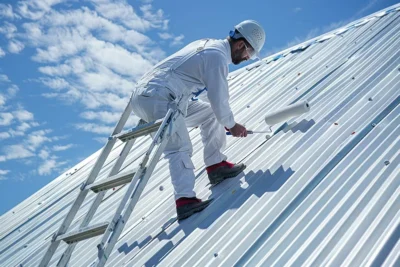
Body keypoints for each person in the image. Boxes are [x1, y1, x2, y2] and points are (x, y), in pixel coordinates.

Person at [131, 20, 266, 220]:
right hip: (159, 96)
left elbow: (210, 101)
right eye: (250, 53)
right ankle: (185, 200)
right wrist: (232, 125)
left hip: (154, 95)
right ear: (241, 45)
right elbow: (219, 98)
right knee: (179, 147)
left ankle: (216, 165)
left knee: (210, 115)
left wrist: (224, 122)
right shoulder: (217, 57)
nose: (248, 58)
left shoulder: (208, 45)